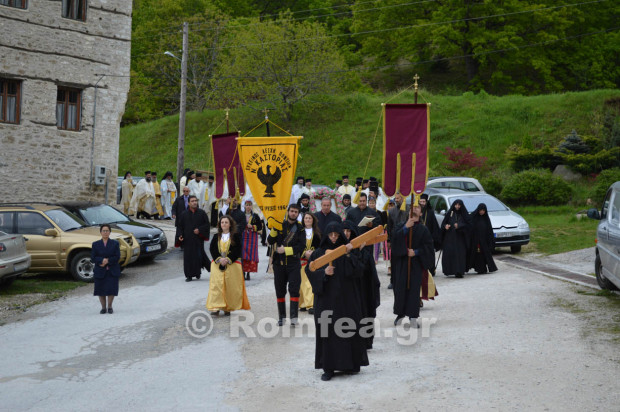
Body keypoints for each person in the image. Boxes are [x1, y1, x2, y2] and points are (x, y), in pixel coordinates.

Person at [307, 221, 369, 381]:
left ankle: (351, 364)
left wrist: (348, 255)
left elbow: (359, 271)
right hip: (327, 301)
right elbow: (310, 271)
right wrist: (323, 273)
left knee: (349, 329)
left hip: (347, 299)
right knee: (328, 332)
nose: (334, 237)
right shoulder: (319, 253)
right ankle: (328, 368)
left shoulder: (347, 251)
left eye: (336, 235)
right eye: (331, 235)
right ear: (326, 236)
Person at [391, 205, 435, 327]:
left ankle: (413, 317)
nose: (414, 209)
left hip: (415, 265)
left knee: (414, 291)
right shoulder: (401, 225)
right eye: (412, 207)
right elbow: (394, 240)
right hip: (401, 264)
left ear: (421, 213)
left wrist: (416, 252)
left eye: (417, 208)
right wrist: (406, 228)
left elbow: (428, 248)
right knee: (399, 289)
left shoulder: (423, 230)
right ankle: (400, 314)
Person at [342, 220, 380, 349]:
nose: (346, 234)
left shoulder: (362, 249)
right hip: (345, 290)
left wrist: (360, 252)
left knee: (363, 312)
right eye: (344, 231)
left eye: (349, 231)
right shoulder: (337, 248)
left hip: (362, 288)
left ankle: (365, 341)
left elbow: (366, 269)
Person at [268, 204, 305, 326]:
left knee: (294, 290)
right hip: (279, 263)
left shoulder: (300, 228)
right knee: (280, 290)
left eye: (296, 212)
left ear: (298, 214)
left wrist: (286, 250)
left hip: (293, 263)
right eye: (292, 211)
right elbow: (270, 240)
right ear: (288, 212)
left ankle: (294, 318)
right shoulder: (279, 225)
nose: (293, 213)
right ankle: (281, 318)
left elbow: (301, 246)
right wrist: (274, 227)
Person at [206, 215, 251, 315]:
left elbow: (237, 249)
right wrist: (219, 259)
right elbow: (212, 249)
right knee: (217, 286)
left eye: (226, 222)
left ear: (230, 224)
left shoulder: (235, 236)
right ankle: (216, 307)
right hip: (218, 264)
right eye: (222, 222)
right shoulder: (216, 236)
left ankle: (227, 308)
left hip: (231, 264)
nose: (224, 224)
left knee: (229, 286)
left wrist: (228, 259)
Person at [175, 195, 210, 282]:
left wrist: (200, 230)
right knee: (188, 258)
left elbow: (207, 225)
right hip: (187, 240)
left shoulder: (202, 213)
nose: (194, 202)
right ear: (188, 203)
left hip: (198, 240)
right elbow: (180, 227)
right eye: (192, 201)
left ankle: (198, 273)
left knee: (198, 256)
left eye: (195, 201)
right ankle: (189, 275)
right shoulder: (184, 214)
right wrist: (180, 235)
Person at [92, 224, 121, 314]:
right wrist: (101, 260)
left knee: (111, 289)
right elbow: (93, 257)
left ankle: (110, 306)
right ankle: (103, 308)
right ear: (100, 232)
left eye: (107, 231)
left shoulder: (115, 243)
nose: (105, 232)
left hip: (112, 270)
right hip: (100, 270)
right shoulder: (95, 244)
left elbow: (117, 256)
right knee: (101, 289)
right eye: (103, 231)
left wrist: (108, 260)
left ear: (110, 232)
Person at [441, 199, 470, 278]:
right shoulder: (450, 213)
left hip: (461, 238)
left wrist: (459, 225)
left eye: (459, 205)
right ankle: (450, 270)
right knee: (450, 254)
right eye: (456, 205)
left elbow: (469, 225)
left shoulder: (464, 214)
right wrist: (446, 226)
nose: (457, 206)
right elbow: (443, 224)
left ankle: (459, 272)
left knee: (460, 255)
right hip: (450, 238)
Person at [299, 213, 321, 314]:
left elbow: (320, 246)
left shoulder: (317, 233)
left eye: (309, 218)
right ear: (303, 220)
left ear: (313, 220)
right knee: (301, 283)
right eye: (306, 218)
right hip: (301, 260)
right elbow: (295, 245)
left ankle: (311, 305)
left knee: (309, 283)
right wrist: (304, 253)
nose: (308, 220)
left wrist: (313, 253)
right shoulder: (299, 232)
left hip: (313, 261)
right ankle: (303, 304)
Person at [468, 203, 498, 274]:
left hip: (484, 241)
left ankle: (483, 268)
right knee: (477, 255)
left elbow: (489, 230)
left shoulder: (486, 218)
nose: (482, 212)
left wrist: (490, 241)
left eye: (483, 210)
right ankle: (479, 268)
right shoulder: (473, 217)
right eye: (480, 210)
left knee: (484, 254)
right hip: (475, 240)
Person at [387, 193, 409, 289]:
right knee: (394, 261)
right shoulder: (392, 211)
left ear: (403, 198)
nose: (396, 200)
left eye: (398, 198)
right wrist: (389, 240)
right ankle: (393, 281)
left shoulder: (409, 209)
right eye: (395, 198)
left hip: (406, 240)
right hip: (395, 240)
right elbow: (389, 226)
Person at [241, 200, 263, 280]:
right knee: (243, 254)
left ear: (251, 206)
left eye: (249, 205)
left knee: (251, 254)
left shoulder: (255, 216)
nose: (248, 207)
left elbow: (260, 227)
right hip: (243, 236)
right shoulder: (241, 215)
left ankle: (248, 272)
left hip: (252, 237)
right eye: (247, 205)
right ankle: (243, 272)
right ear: (244, 206)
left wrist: (252, 227)